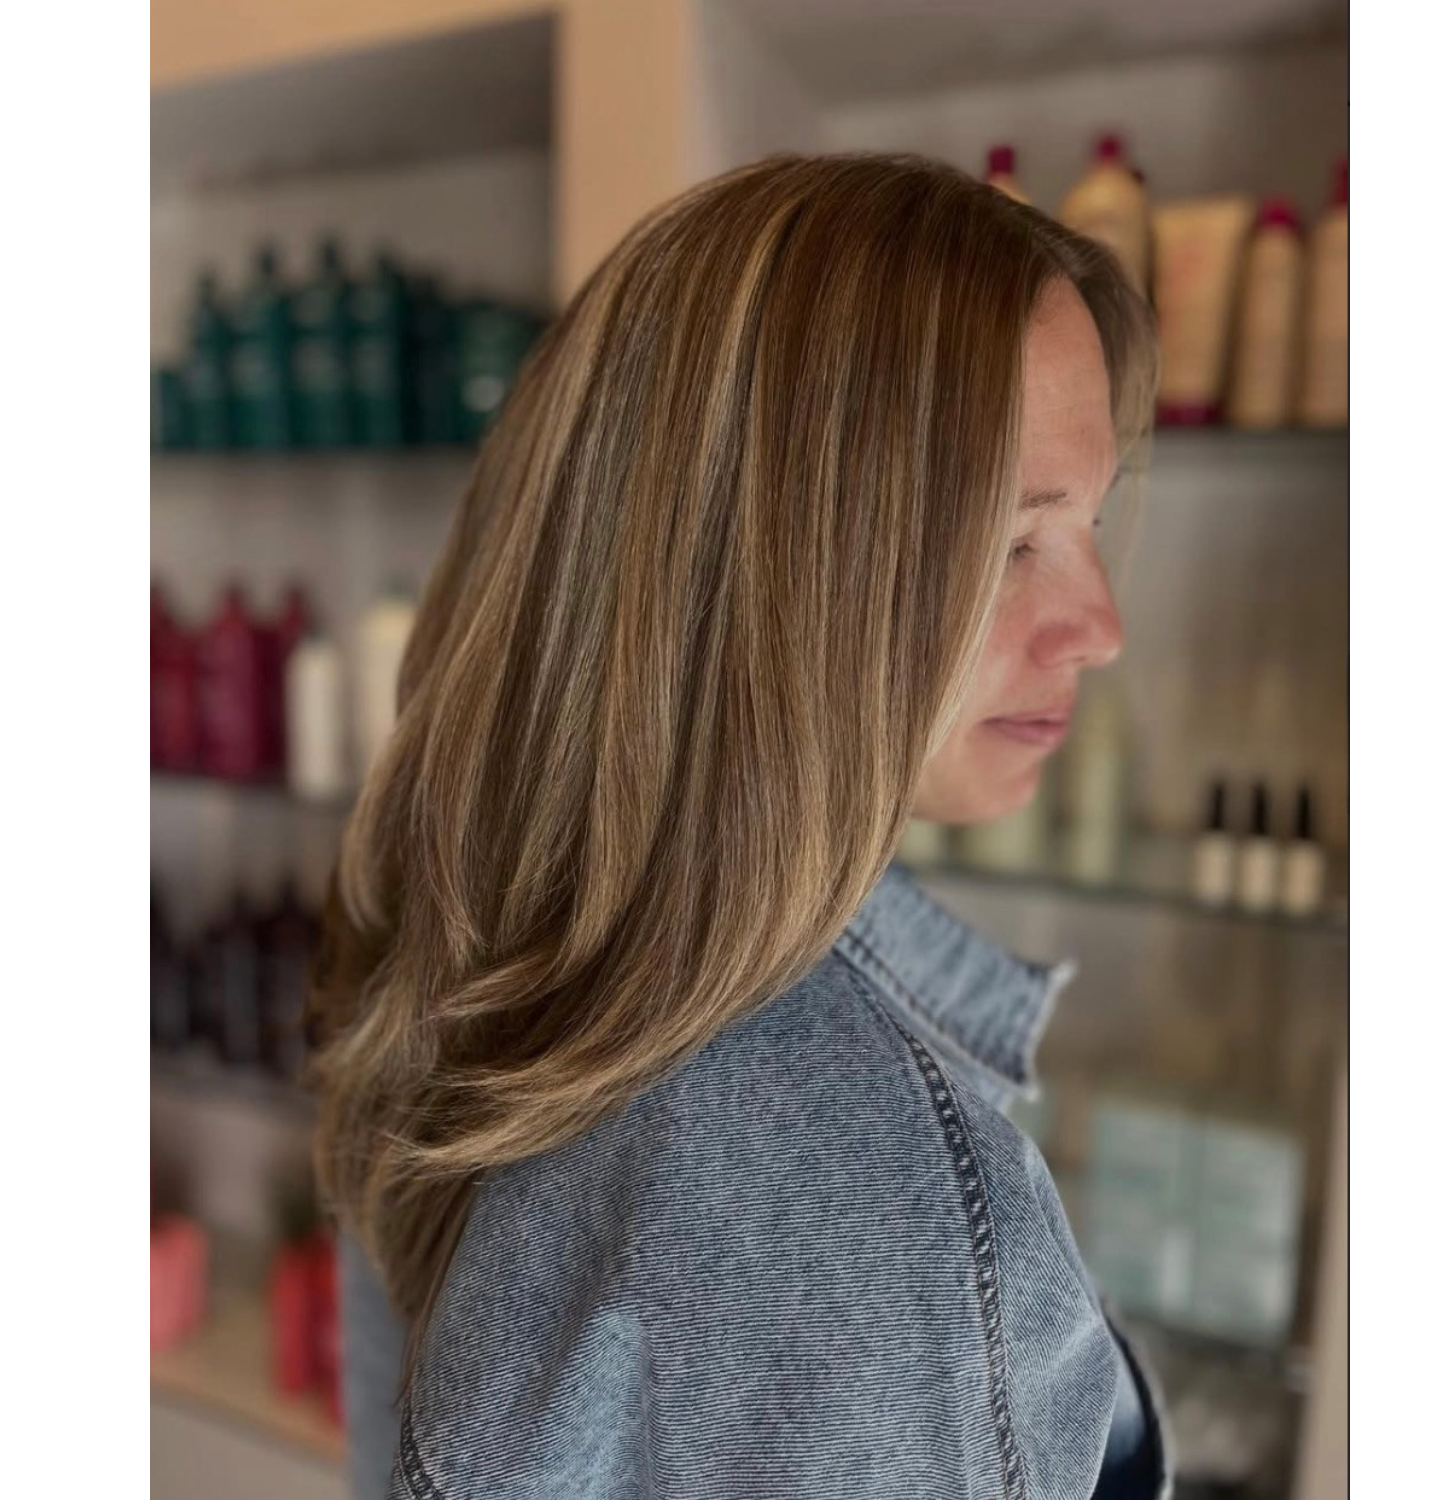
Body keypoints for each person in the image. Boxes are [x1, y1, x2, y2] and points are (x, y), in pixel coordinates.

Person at [309, 151, 1167, 1500]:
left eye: (1094, 527)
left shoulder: (461, 962)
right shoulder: (854, 1194)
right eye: (1012, 545)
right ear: (759, 574)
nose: (1102, 628)